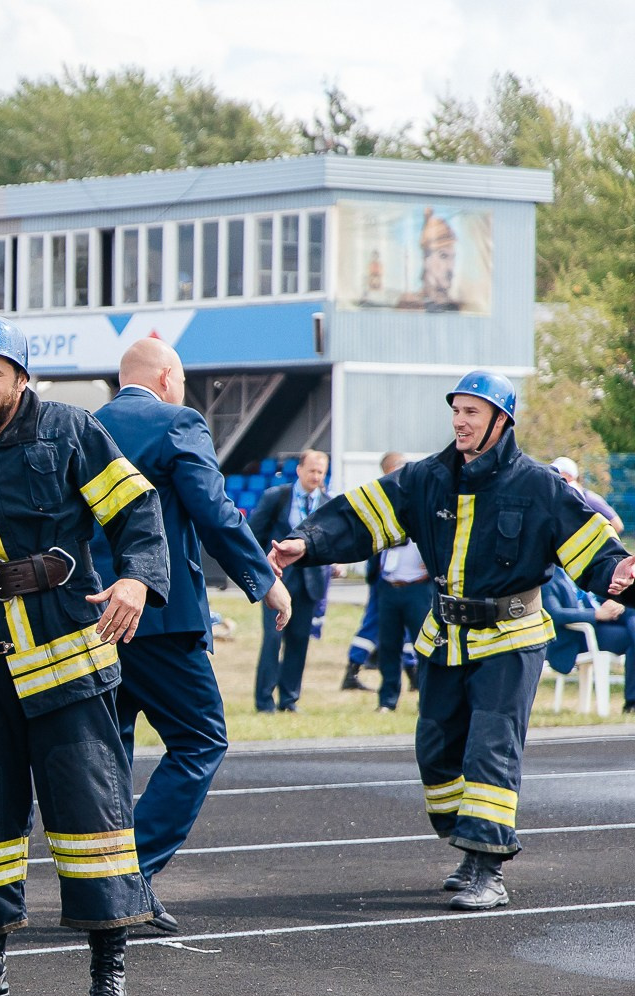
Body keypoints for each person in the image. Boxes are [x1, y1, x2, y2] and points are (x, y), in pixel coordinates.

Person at [271, 371, 632, 910]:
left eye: (472, 413)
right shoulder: (426, 478)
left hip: (511, 639)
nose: (460, 422)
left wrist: (619, 572)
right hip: (444, 637)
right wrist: (307, 542)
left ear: (501, 420)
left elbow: (595, 550)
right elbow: (361, 515)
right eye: (456, 411)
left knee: (490, 750)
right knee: (436, 753)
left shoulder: (540, 486)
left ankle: (487, 868)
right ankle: (467, 844)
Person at [0, 315, 168, 996]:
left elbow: (137, 507)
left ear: (20, 377)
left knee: (92, 818)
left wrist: (136, 579)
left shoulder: (70, 430)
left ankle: (108, 973)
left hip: (67, 653)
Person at [89, 337, 290, 936]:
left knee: (110, 754)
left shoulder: (82, 427)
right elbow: (214, 511)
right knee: (200, 739)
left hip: (90, 615)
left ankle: (101, 880)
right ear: (167, 378)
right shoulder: (178, 422)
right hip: (160, 618)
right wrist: (264, 581)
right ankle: (132, 875)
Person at [249, 449, 331, 712]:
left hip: (310, 584)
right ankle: (264, 701)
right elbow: (254, 534)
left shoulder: (328, 503)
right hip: (278, 582)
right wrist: (261, 572)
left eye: (320, 472)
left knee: (299, 640)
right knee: (273, 640)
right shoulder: (277, 497)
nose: (315, 476)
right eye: (312, 471)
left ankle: (289, 699)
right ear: (299, 470)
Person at [368, 452, 432, 713]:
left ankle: (427, 699)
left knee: (424, 645)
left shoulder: (424, 503)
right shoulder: (383, 506)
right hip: (389, 586)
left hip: (417, 586)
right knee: (388, 646)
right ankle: (387, 699)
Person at [544, 569, 631, 711]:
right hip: (577, 638)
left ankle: (632, 702)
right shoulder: (549, 577)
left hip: (600, 627)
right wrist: (596, 614)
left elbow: (593, 597)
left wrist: (615, 602)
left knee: (631, 614)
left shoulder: (577, 571)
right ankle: (632, 702)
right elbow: (554, 613)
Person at [550, 456, 624, 534]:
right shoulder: (562, 500)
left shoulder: (590, 499)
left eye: (558, 473)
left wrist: (593, 538)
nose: (554, 476)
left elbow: (617, 525)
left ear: (570, 476)